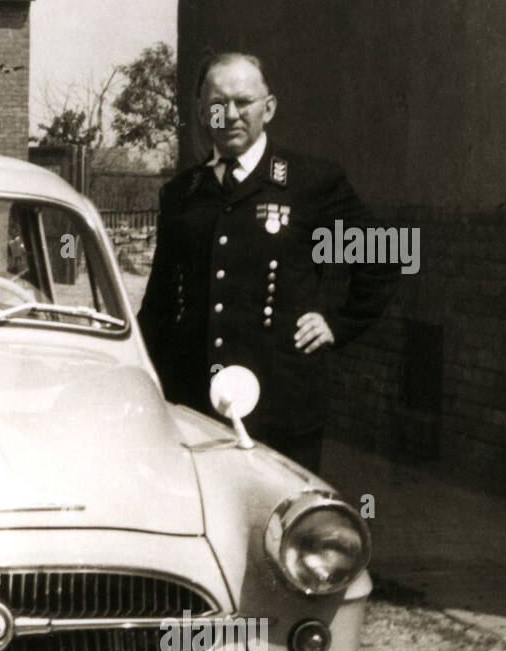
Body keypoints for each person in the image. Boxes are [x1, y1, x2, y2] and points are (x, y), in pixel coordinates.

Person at [137, 52, 400, 473]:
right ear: (204, 113)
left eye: (245, 102)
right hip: (194, 403)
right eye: (219, 103)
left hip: (282, 405)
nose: (232, 114)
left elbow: (385, 253)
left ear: (269, 108)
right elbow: (161, 301)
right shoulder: (183, 194)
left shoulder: (310, 182)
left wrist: (338, 321)